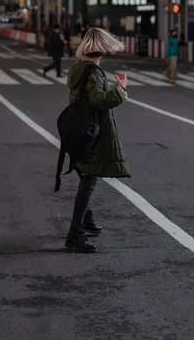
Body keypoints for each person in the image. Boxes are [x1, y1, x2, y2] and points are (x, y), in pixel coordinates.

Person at [64, 27, 130, 253]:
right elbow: (97, 102)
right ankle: (75, 233)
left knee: (85, 175)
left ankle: (85, 220)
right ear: (102, 50)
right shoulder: (93, 72)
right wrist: (119, 91)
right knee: (90, 180)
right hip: (92, 132)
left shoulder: (78, 69)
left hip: (80, 131)